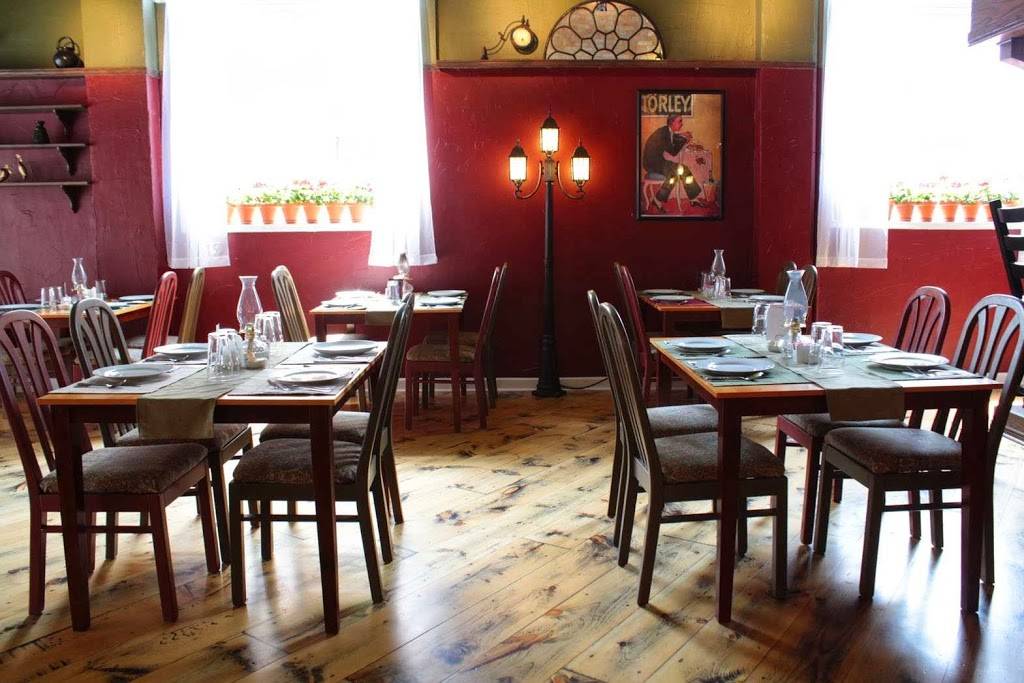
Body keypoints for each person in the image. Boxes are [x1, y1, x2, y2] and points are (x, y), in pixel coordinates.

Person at [641, 113, 701, 213]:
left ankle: (692, 198)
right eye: (679, 121)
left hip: (657, 160)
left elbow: (672, 138)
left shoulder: (666, 131)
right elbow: (673, 152)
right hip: (652, 163)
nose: (682, 124)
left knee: (680, 170)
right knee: (679, 171)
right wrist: (685, 139)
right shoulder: (664, 133)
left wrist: (682, 135)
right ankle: (659, 199)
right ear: (672, 122)